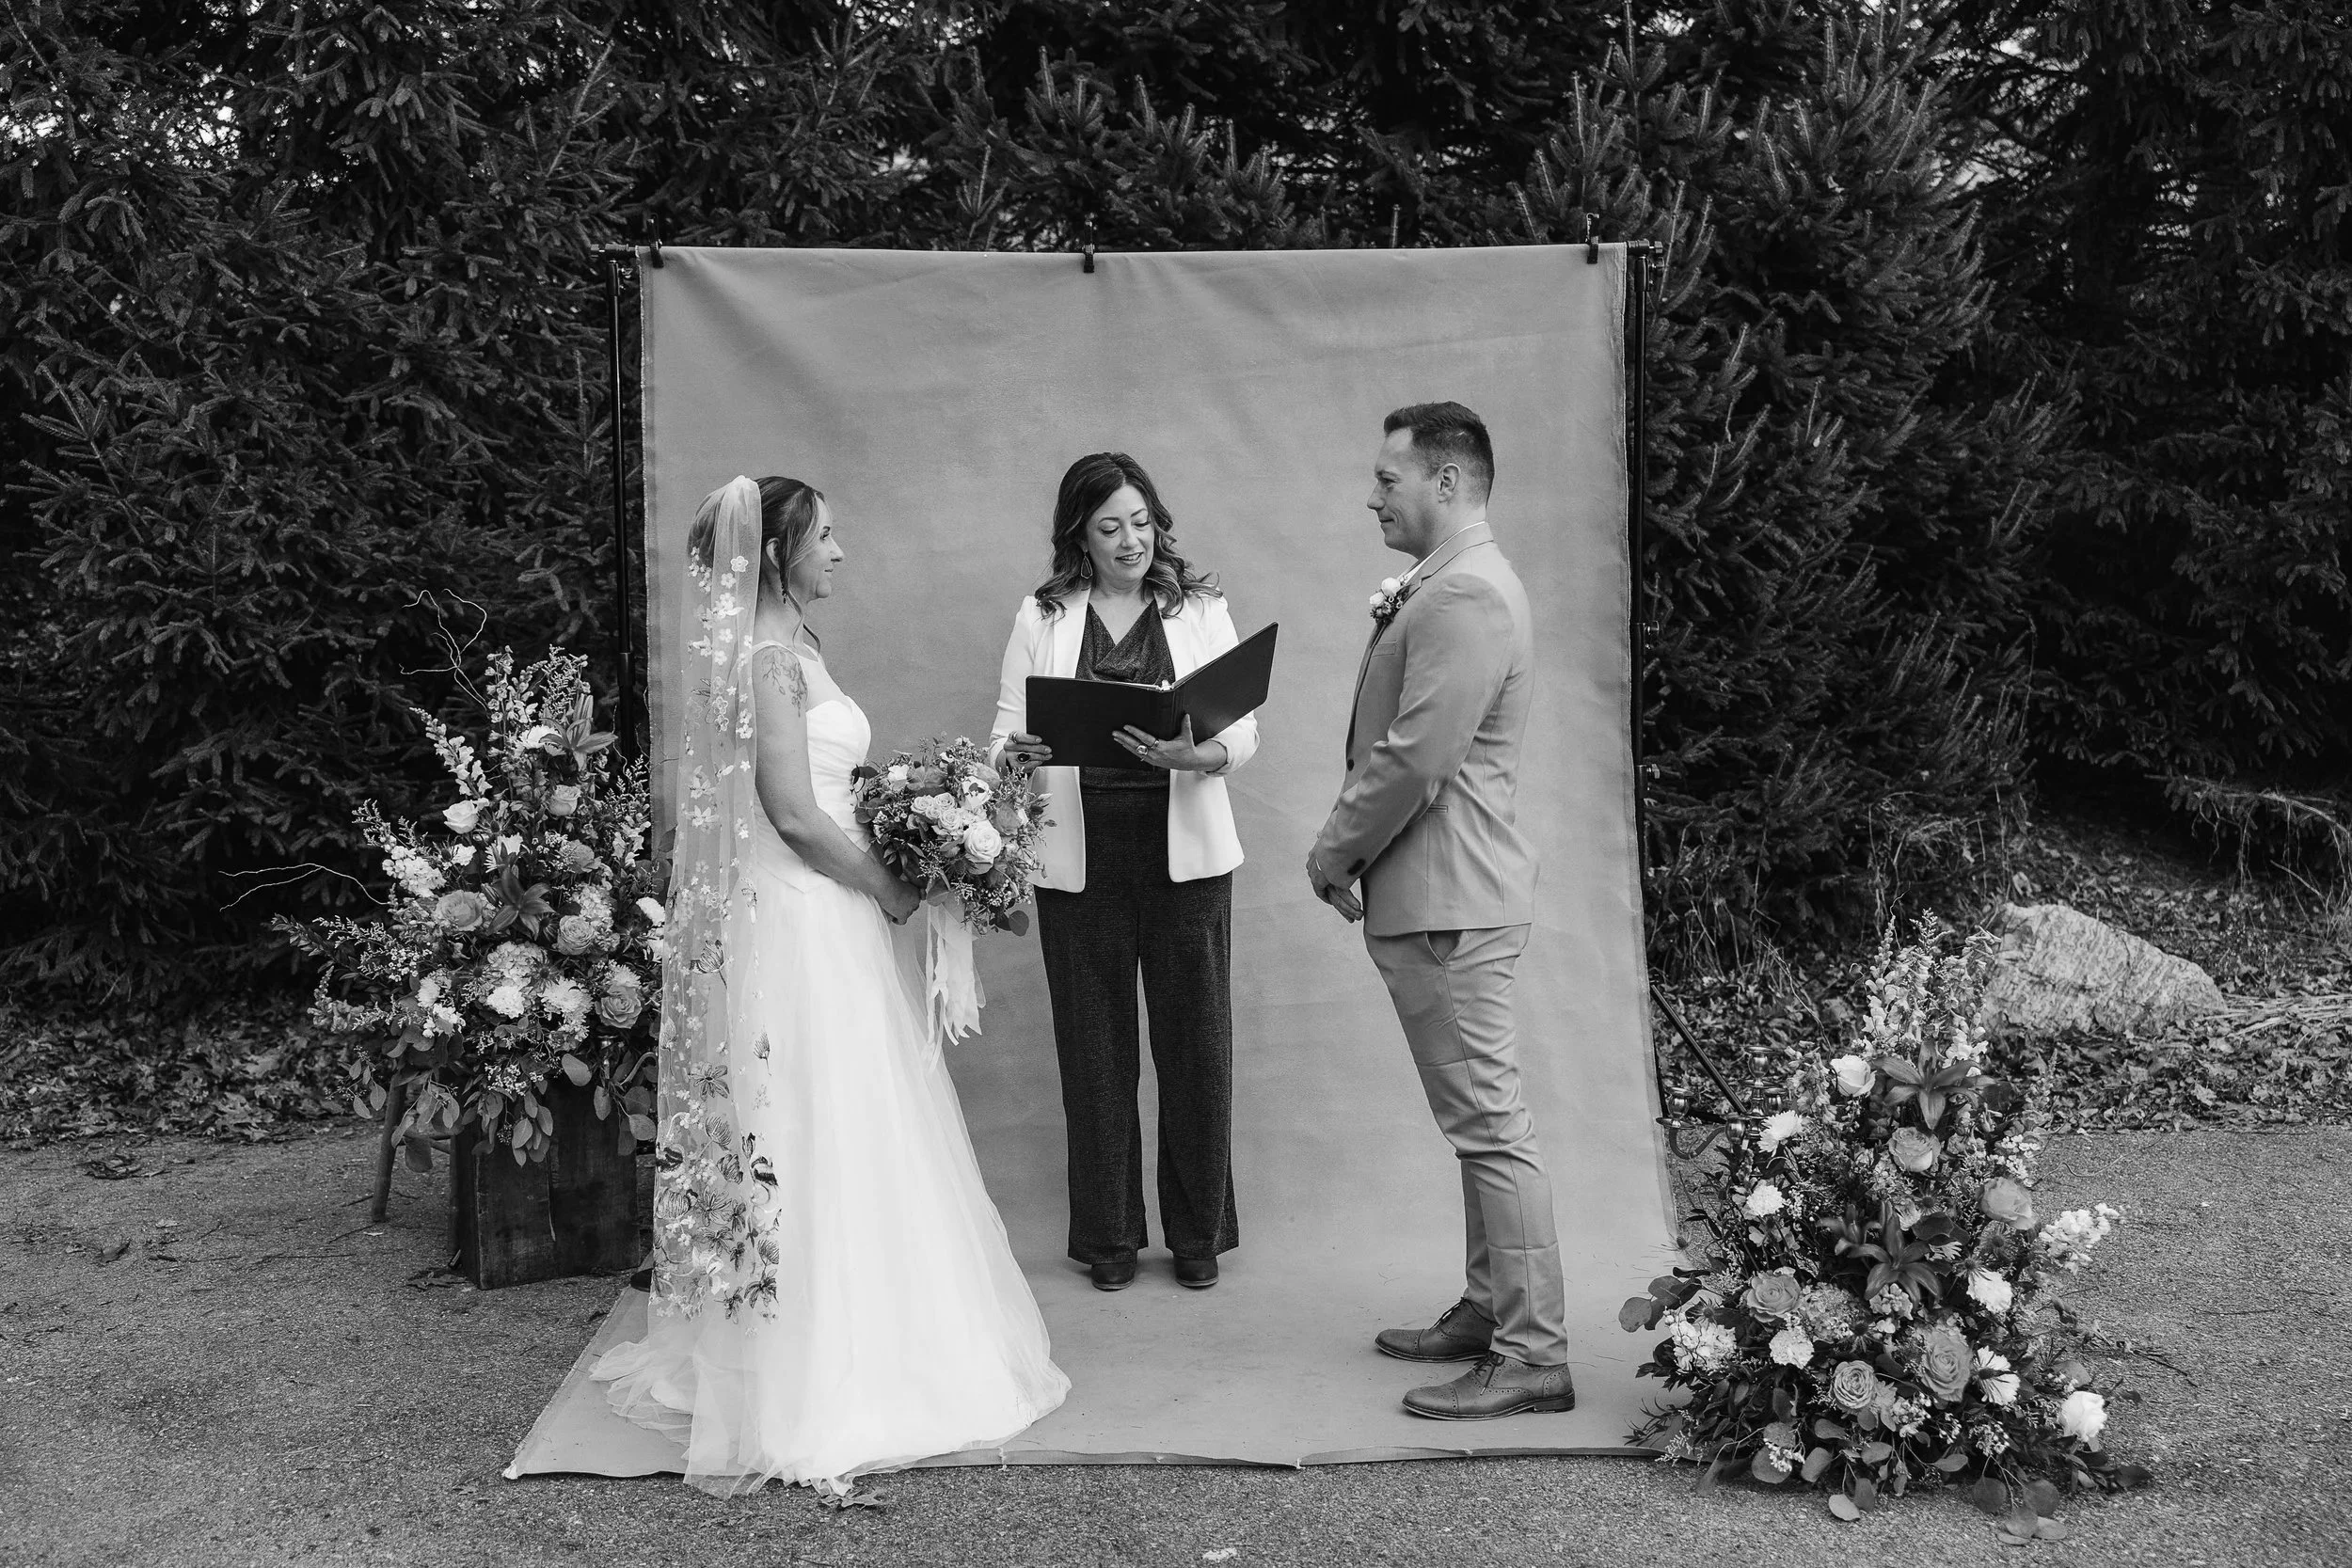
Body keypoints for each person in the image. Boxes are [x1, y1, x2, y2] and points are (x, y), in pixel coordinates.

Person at [592, 474, 1068, 1495]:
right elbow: (795, 814)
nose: (841, 550)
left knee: (852, 1115)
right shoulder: (768, 659)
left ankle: (866, 1327)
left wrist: (922, 810)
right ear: (774, 555)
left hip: (830, 910)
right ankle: (808, 1368)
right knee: (808, 1116)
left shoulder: (798, 648)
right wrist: (892, 885)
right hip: (802, 915)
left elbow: (834, 795)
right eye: (825, 535)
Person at [1305, 403, 1576, 1420]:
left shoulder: (1463, 592)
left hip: (1448, 898)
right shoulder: (1455, 582)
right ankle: (1488, 1307)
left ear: (1449, 483)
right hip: (1443, 892)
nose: (1371, 493)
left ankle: (1533, 1350)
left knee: (1492, 1129)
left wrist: (1334, 850)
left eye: (1388, 476)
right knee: (1477, 1126)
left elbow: (1416, 756)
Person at [990, 452, 1260, 1292]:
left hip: (1186, 858)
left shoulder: (1202, 607)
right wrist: (1017, 752)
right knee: (1095, 1056)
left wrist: (1201, 751)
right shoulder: (1043, 613)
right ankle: (1109, 1239)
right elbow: (1003, 732)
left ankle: (1197, 1236)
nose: (1131, 539)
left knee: (1196, 1049)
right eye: (1110, 527)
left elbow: (1242, 726)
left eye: (1141, 521)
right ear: (1080, 535)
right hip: (1080, 860)